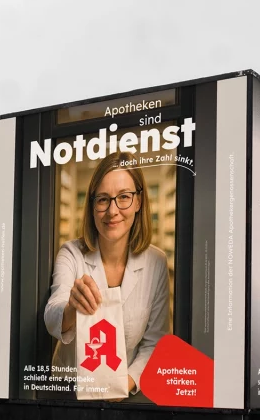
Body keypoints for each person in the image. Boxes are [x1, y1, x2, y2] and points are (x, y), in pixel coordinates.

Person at [44, 152, 171, 400]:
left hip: (124, 397)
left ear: (138, 201)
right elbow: (51, 317)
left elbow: (155, 341)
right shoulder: (71, 253)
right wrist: (71, 308)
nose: (112, 211)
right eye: (103, 199)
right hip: (68, 393)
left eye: (123, 197)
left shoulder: (156, 262)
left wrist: (125, 383)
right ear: (92, 206)